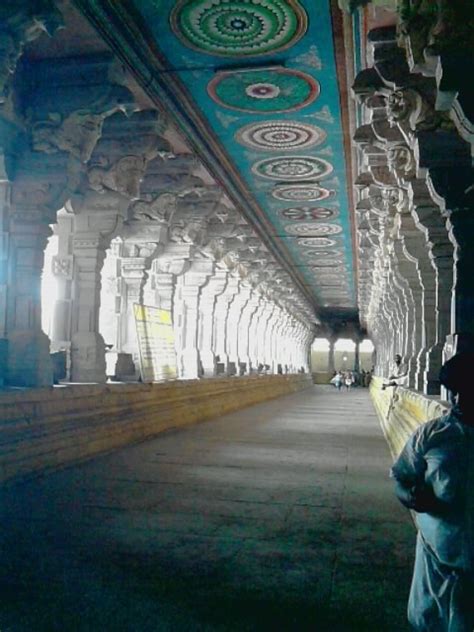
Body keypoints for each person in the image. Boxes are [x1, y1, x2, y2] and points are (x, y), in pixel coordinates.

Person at [391, 352, 474, 631]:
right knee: (429, 623)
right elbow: (400, 478)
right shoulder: (432, 435)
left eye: (469, 391)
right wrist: (411, 497)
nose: (460, 401)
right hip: (435, 561)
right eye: (455, 393)